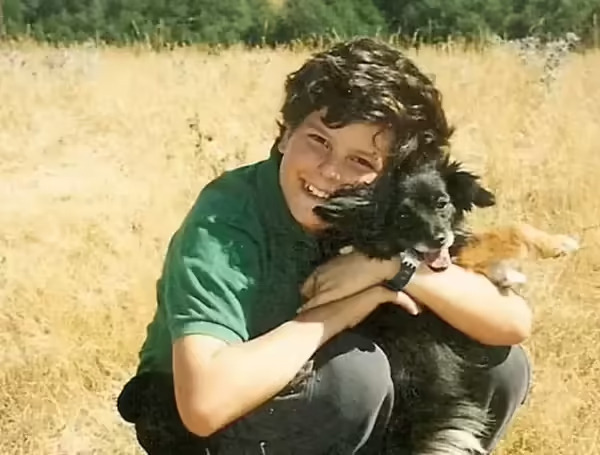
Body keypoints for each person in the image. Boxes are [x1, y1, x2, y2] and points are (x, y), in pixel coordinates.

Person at [116, 37, 533, 454]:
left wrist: (391, 269)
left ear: (391, 177)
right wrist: (344, 308)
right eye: (319, 140)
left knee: (500, 365)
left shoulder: (386, 210)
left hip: (319, 394)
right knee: (356, 375)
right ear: (285, 134)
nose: (330, 171)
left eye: (361, 161)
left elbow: (512, 322)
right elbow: (203, 405)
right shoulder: (226, 221)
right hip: (199, 421)